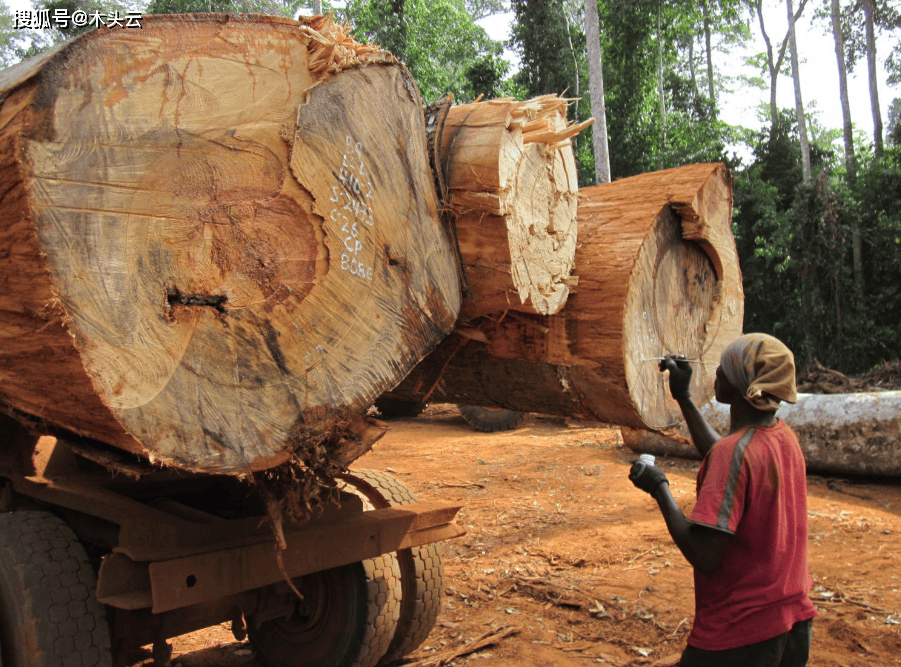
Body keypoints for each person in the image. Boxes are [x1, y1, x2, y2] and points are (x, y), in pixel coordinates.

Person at [627, 333, 818, 667]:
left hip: (740, 632)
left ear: (740, 387)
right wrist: (683, 396)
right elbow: (726, 459)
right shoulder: (783, 438)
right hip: (792, 620)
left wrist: (659, 488)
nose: (715, 373)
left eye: (723, 369)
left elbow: (705, 554)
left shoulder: (735, 453)